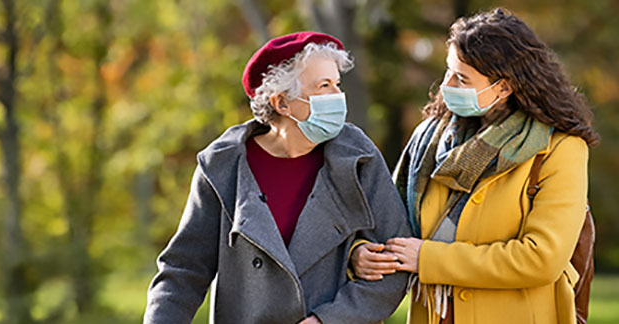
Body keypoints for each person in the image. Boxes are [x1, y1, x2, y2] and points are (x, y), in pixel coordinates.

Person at [350, 8, 599, 324]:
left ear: (503, 87)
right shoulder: (429, 140)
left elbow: (541, 258)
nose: (447, 85)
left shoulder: (560, 149)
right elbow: (383, 221)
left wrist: (428, 258)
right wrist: (360, 252)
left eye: (462, 77)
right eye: (448, 71)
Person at [143, 32, 411, 324]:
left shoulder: (359, 156)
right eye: (323, 86)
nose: (337, 96)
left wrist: (328, 321)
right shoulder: (223, 166)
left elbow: (394, 260)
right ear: (282, 103)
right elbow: (184, 272)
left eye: (337, 84)